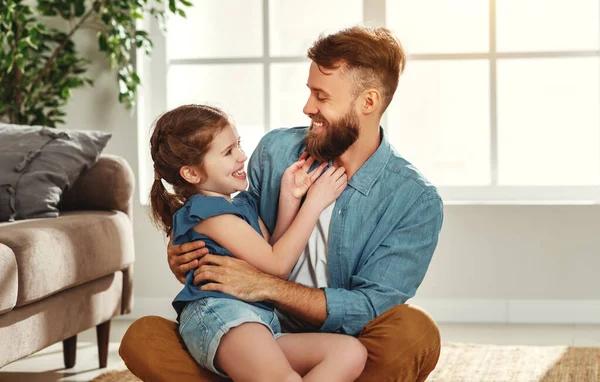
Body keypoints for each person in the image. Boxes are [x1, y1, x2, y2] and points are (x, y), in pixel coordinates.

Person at [120, 26, 444, 382]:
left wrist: (265, 285)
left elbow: (368, 307)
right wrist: (187, 251)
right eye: (310, 93)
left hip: (337, 335)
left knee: (413, 333)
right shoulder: (277, 151)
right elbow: (241, 230)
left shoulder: (415, 199)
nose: (308, 108)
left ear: (368, 102)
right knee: (144, 337)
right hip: (250, 321)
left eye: (322, 97)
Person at [148, 103, 368, 381]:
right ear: (191, 173)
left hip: (260, 321)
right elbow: (277, 265)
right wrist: (314, 204)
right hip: (221, 316)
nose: (242, 156)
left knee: (350, 352)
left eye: (238, 145)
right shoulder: (203, 212)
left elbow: (272, 260)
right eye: (228, 152)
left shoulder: (241, 206)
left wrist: (290, 196)